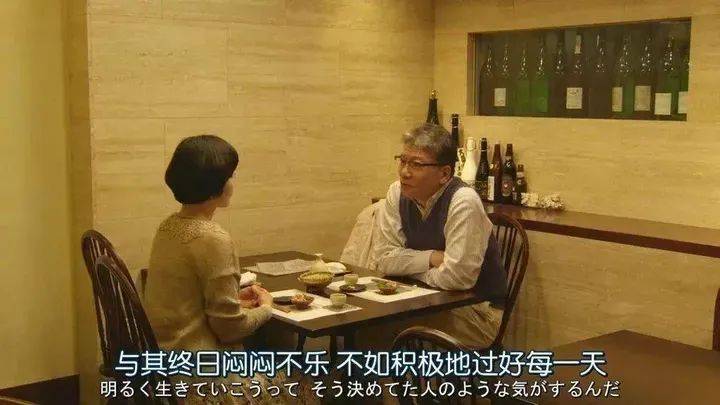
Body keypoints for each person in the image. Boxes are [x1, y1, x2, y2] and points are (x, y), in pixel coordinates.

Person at [144, 135, 314, 404]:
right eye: (231, 175)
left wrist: (234, 300)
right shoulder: (214, 238)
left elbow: (187, 302)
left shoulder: (167, 227)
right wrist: (266, 308)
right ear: (216, 185)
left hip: (163, 365)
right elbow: (229, 330)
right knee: (302, 377)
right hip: (201, 375)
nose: (233, 182)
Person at [372, 123, 508, 348]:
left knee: (379, 325)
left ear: (444, 173)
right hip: (425, 298)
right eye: (403, 161)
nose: (404, 172)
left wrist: (408, 270)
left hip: (477, 313)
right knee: (369, 320)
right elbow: (384, 259)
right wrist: (433, 258)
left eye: (416, 164)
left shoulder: (463, 201)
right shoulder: (397, 192)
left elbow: (458, 279)